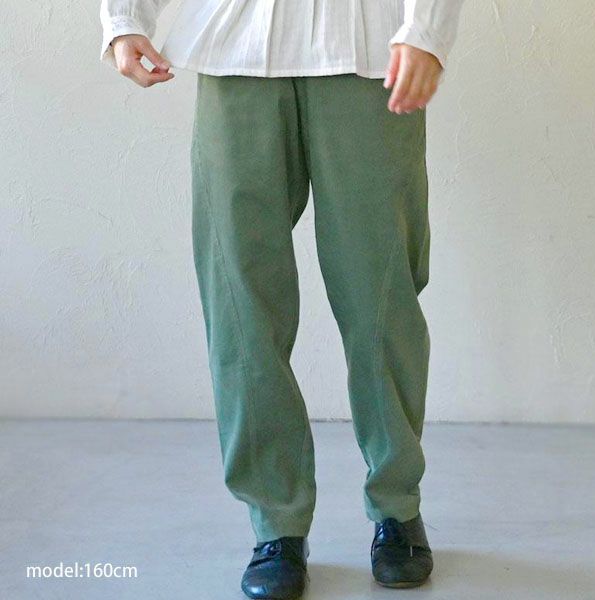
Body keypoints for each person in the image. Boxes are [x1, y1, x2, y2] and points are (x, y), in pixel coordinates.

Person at [100, 1, 465, 597]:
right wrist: (124, 19)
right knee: (240, 299)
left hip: (369, 50)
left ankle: (397, 506)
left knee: (382, 294)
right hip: (235, 47)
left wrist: (426, 30)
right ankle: (276, 523)